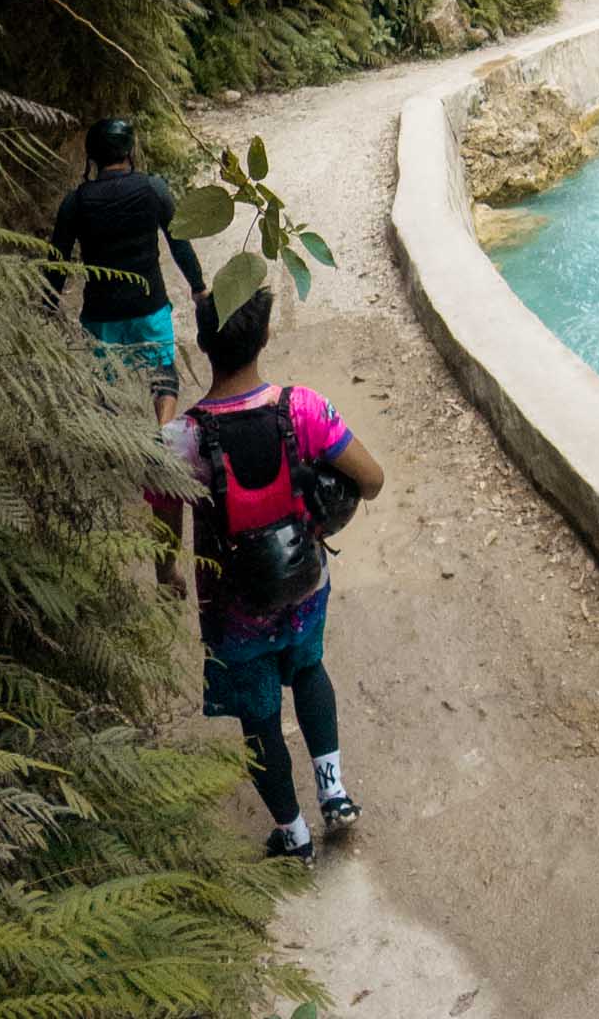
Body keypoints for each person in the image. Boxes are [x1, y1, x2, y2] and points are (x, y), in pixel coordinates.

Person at [159, 288, 385, 866]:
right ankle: (333, 791)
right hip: (305, 585)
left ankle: (294, 834)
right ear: (263, 338)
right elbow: (372, 478)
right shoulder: (304, 408)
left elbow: (165, 525)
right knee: (309, 670)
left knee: (259, 715)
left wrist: (168, 575)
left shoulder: (180, 440)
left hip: (233, 606)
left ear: (204, 346)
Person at [47, 118, 207, 427]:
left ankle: (118, 439)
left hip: (101, 314)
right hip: (150, 306)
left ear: (92, 157)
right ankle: (163, 435)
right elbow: (179, 242)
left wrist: (47, 305)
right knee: (163, 374)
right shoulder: (152, 188)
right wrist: (198, 286)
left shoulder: (76, 202)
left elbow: (57, 260)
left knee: (105, 383)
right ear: (129, 150)